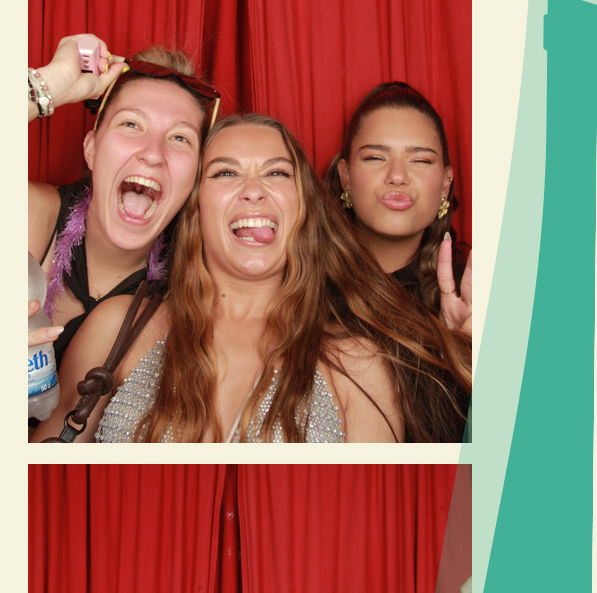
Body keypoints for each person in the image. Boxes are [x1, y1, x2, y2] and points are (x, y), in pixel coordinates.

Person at [33, 114, 470, 443]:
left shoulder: (358, 362)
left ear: (304, 205)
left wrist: (474, 361)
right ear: (195, 206)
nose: (254, 190)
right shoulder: (119, 327)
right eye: (225, 172)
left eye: (277, 173)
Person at [27, 36, 217, 367]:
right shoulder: (31, 216)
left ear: (196, 177)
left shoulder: (198, 288)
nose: (153, 154)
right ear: (91, 149)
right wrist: (52, 83)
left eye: (179, 137)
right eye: (131, 124)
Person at [329, 80, 471, 337]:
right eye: (375, 157)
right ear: (346, 177)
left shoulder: (476, 295)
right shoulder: (299, 286)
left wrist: (464, 347)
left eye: (421, 160)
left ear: (445, 184)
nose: (397, 176)